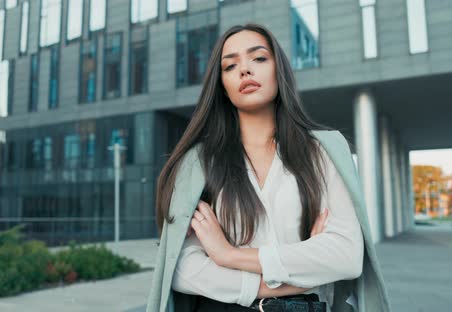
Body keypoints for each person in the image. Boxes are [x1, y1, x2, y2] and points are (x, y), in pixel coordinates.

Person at [147, 24, 391, 312]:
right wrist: (297, 278)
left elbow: (346, 256)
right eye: (230, 66)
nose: (245, 70)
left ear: (280, 71)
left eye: (259, 58)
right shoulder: (200, 162)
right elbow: (181, 267)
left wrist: (229, 255)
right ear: (222, 87)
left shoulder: (323, 151)